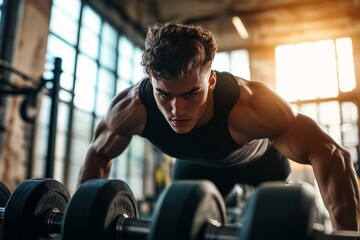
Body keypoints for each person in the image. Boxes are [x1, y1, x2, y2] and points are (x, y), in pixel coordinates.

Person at [77, 22, 359, 231]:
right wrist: (82, 223)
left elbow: (331, 154)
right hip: (196, 168)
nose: (177, 110)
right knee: (179, 221)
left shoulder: (249, 107)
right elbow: (98, 155)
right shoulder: (131, 109)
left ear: (210, 81)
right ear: (151, 80)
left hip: (262, 166)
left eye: (190, 94)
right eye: (164, 95)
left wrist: (347, 232)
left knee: (275, 224)